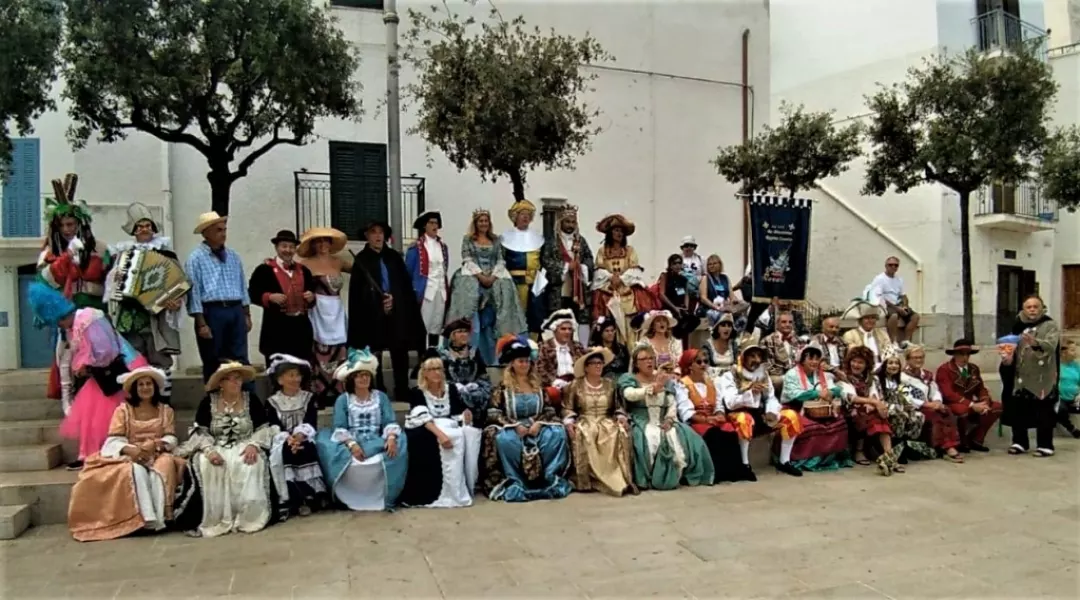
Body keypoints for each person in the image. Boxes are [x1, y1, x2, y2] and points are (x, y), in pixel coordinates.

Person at [29, 283, 150, 470]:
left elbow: (105, 351)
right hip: (104, 375)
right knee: (88, 412)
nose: (60, 326)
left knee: (106, 413)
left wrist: (86, 367)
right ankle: (89, 453)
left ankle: (105, 451)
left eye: (58, 321)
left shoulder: (88, 320)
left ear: (61, 316)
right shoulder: (76, 325)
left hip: (118, 370)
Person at [66, 366, 185, 541]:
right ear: (135, 389)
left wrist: (155, 444)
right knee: (135, 469)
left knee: (164, 466)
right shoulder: (123, 410)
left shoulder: (165, 410)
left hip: (158, 453)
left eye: (149, 384)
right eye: (141, 385)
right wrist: (131, 449)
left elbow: (171, 437)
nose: (145, 388)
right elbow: (113, 439)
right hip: (130, 453)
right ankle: (144, 517)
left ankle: (161, 517)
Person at [175, 362, 275, 537]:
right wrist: (209, 451)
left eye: (238, 379)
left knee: (249, 463)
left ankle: (247, 517)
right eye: (230, 379)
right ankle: (213, 517)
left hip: (245, 444)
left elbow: (263, 428)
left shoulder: (251, 400)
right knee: (207, 466)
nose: (235, 383)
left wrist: (254, 444)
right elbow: (200, 431)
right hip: (215, 445)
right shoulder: (208, 402)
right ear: (221, 383)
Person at [37, 175, 109, 413]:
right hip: (67, 310)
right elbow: (45, 280)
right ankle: (68, 400)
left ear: (80, 223)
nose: (69, 229)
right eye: (64, 225)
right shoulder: (51, 251)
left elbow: (109, 277)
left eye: (72, 224)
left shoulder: (99, 247)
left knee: (95, 355)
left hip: (93, 309)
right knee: (67, 354)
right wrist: (65, 259)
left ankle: (96, 398)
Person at [105, 202, 184, 398]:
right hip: (131, 316)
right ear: (133, 230)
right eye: (140, 226)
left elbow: (179, 282)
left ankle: (164, 404)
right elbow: (113, 284)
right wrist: (117, 280)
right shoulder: (124, 254)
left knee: (160, 360)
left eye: (147, 225)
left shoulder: (165, 253)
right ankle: (139, 405)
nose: (144, 229)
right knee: (134, 361)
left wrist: (175, 300)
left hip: (156, 317)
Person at [315, 348, 407, 511]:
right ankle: (348, 498)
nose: (364, 378)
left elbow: (389, 421)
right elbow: (340, 426)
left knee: (398, 445)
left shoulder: (381, 397)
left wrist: (391, 438)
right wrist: (352, 444)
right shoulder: (343, 400)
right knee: (327, 445)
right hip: (352, 440)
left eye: (366, 375)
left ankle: (384, 497)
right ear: (351, 379)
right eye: (359, 375)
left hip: (376, 439)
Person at [484, 335, 573, 502]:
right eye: (520, 361)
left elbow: (548, 409)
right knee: (504, 439)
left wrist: (539, 423)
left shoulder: (538, 385)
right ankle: (515, 481)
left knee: (557, 433)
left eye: (526, 361)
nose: (524, 365)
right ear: (512, 364)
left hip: (535, 426)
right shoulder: (502, 388)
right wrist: (515, 425)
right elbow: (493, 412)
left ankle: (549, 477)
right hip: (513, 427)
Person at [617, 343, 714, 490]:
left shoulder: (663, 378)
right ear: (636, 363)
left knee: (687, 436)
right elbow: (629, 394)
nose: (649, 361)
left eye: (651, 358)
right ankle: (651, 477)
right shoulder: (629, 378)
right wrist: (651, 389)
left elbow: (672, 403)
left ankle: (681, 475)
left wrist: (669, 419)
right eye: (644, 359)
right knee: (651, 437)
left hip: (664, 420)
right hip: (642, 419)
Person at [348, 220, 425, 402]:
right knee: (375, 353)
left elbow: (403, 286)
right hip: (372, 316)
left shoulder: (394, 258)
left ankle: (402, 389)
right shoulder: (361, 260)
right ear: (367, 236)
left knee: (399, 350)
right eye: (373, 232)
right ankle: (378, 389)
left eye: (381, 232)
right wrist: (377, 303)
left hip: (396, 315)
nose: (378, 236)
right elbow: (358, 295)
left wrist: (394, 300)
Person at [399, 352, 481, 508]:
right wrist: (440, 435)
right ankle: (434, 492)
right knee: (424, 439)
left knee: (465, 434)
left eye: (439, 369)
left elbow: (457, 411)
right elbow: (420, 416)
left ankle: (457, 490)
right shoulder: (417, 392)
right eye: (432, 369)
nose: (436, 372)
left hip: (449, 425)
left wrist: (465, 413)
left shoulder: (451, 389)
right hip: (429, 427)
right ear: (425, 373)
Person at [446, 208, 527, 364]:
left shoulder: (496, 240)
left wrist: (493, 276)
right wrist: (481, 276)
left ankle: (495, 359)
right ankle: (467, 356)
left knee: (496, 320)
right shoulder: (468, 239)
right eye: (480, 221)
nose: (483, 223)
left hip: (494, 278)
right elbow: (467, 259)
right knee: (470, 319)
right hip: (472, 276)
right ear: (475, 223)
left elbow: (501, 260)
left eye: (486, 221)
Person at [716, 344, 802, 481]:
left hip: (762, 415)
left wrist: (771, 411)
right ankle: (745, 465)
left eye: (759, 356)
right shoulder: (730, 375)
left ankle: (784, 461)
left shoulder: (763, 375)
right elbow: (730, 402)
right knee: (744, 419)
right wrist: (750, 393)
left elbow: (771, 397)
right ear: (743, 357)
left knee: (791, 416)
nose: (756, 360)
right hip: (738, 412)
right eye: (752, 356)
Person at [185, 212, 251, 383]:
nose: (223, 234)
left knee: (240, 357)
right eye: (218, 230)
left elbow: (242, 285)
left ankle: (244, 399)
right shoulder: (195, 258)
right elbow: (195, 291)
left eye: (224, 229)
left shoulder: (233, 256)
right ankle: (215, 401)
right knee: (214, 358)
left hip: (235, 308)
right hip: (212, 311)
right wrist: (201, 322)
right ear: (206, 233)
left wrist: (246, 314)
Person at [561, 347, 635, 496]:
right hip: (585, 420)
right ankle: (588, 479)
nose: (598, 366)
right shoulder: (575, 385)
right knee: (586, 433)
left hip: (605, 420)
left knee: (617, 432)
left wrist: (621, 417)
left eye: (600, 363)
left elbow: (618, 406)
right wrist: (569, 421)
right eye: (594, 363)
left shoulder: (610, 384)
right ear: (586, 367)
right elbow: (567, 407)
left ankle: (615, 478)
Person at [264, 354, 328, 518]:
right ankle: (295, 499)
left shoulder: (308, 398)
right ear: (280, 380)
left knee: (306, 448)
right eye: (291, 375)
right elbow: (273, 425)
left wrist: (299, 436)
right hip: (283, 439)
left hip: (304, 437)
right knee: (286, 452)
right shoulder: (272, 401)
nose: (296, 379)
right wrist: (289, 438)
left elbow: (310, 421)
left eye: (297, 375)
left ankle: (314, 496)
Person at [296, 227, 352, 408]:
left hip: (336, 307)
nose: (322, 245)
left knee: (339, 350)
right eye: (318, 241)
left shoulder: (339, 262)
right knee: (319, 349)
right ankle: (319, 391)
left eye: (325, 241)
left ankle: (338, 391)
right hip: (318, 308)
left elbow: (362, 269)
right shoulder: (305, 264)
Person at [1000, 296, 1062, 457]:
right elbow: (1011, 347)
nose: (1032, 309)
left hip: (1043, 376)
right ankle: (1020, 442)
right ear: (1024, 309)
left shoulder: (1050, 325)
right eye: (1029, 307)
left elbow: (1050, 346)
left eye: (1036, 306)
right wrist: (1007, 358)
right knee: (1018, 408)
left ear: (1042, 308)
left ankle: (1045, 445)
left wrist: (1035, 342)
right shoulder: (1017, 326)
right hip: (1021, 376)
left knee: (1044, 411)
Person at [778, 344, 852, 474]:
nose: (814, 362)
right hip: (796, 407)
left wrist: (830, 392)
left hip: (818, 409)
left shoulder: (821, 374)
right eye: (810, 358)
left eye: (817, 359)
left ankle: (826, 460)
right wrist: (817, 394)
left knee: (839, 422)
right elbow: (794, 394)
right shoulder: (792, 374)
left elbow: (836, 389)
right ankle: (800, 460)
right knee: (811, 427)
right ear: (802, 360)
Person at [248, 230, 316, 367]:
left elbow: (312, 296)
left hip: (300, 328)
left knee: (301, 368)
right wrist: (269, 296)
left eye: (291, 247)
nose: (288, 250)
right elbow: (252, 293)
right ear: (276, 247)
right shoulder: (264, 270)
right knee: (277, 369)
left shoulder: (304, 271)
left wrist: (311, 297)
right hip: (276, 328)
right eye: (284, 246)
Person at [675, 349, 744, 483]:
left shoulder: (711, 383)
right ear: (689, 365)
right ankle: (716, 473)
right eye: (698, 362)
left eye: (705, 362)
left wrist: (719, 414)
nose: (703, 365)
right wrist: (706, 419)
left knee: (730, 430)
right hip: (695, 422)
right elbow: (686, 412)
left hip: (711, 419)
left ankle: (733, 472)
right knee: (714, 435)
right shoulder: (682, 384)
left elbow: (718, 404)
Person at [591, 214, 659, 346]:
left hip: (627, 292)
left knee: (630, 326)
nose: (619, 233)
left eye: (621, 231)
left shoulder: (629, 250)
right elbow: (599, 270)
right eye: (616, 230)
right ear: (610, 233)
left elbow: (635, 270)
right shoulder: (602, 251)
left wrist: (621, 279)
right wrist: (611, 277)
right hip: (609, 291)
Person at [935, 339, 1002, 453]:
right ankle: (962, 442)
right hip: (953, 403)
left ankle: (977, 439)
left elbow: (980, 388)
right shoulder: (945, 369)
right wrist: (971, 404)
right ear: (954, 354)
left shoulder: (973, 369)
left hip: (972, 402)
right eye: (961, 354)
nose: (965, 357)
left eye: (967, 354)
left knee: (996, 407)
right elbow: (948, 394)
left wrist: (984, 401)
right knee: (962, 410)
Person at [539, 204, 594, 341]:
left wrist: (582, 267)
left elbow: (589, 259)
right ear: (561, 222)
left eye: (573, 222)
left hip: (579, 289)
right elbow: (546, 261)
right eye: (567, 222)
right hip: (559, 289)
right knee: (559, 319)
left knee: (580, 320)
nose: (570, 225)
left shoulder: (581, 241)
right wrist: (566, 267)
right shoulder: (551, 242)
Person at [901, 345, 963, 463]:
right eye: (915, 358)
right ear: (908, 359)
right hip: (914, 407)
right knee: (935, 415)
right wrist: (925, 404)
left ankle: (950, 445)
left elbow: (935, 390)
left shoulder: (927, 375)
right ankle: (945, 447)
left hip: (930, 405)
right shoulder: (902, 377)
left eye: (921, 357)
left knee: (946, 410)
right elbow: (906, 396)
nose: (919, 360)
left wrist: (937, 401)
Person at [838, 346, 895, 474]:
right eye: (854, 361)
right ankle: (862, 451)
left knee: (880, 414)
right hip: (849, 409)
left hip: (868, 408)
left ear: (866, 365)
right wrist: (873, 402)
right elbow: (850, 398)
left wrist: (875, 403)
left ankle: (888, 454)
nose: (856, 365)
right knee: (868, 414)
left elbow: (875, 394)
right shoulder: (843, 377)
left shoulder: (871, 379)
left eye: (861, 362)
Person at [406, 211, 451, 348]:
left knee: (437, 324)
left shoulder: (443, 247)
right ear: (424, 226)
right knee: (423, 324)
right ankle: (422, 355)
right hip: (424, 290)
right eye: (431, 223)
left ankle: (433, 351)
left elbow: (444, 268)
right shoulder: (416, 247)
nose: (434, 226)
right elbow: (408, 271)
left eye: (436, 223)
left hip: (440, 290)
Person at [439, 318, 494, 428]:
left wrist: (476, 384)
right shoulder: (443, 354)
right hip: (452, 393)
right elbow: (440, 378)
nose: (464, 335)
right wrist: (455, 386)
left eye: (466, 332)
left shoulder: (474, 352)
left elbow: (483, 375)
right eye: (460, 332)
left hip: (474, 393)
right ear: (452, 335)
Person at [502, 200, 546, 333]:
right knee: (516, 314)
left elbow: (543, 260)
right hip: (515, 282)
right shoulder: (505, 238)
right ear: (516, 217)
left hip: (535, 283)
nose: (525, 217)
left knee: (536, 315)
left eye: (528, 214)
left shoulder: (537, 237)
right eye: (522, 214)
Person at [875, 355, 925, 472]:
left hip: (898, 406)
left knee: (918, 416)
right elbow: (880, 399)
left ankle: (907, 446)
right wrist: (900, 408)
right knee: (901, 416)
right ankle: (895, 452)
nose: (894, 366)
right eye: (890, 363)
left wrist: (907, 405)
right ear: (885, 365)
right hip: (884, 407)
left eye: (896, 363)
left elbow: (903, 397)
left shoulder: (898, 380)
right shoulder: (878, 380)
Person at [537, 309, 587, 406]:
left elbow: (584, 366)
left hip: (577, 384)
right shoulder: (545, 347)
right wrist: (554, 382)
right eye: (563, 329)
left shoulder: (577, 346)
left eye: (569, 329)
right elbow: (540, 369)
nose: (567, 332)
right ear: (555, 330)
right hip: (554, 386)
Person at [865, 256, 919, 344]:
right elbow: (880, 297)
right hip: (885, 305)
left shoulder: (899, 279)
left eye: (896, 265)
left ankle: (906, 341)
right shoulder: (880, 279)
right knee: (893, 316)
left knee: (915, 316)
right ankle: (893, 342)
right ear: (886, 266)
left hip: (898, 304)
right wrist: (897, 309)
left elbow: (903, 296)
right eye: (890, 265)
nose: (893, 267)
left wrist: (905, 306)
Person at [656, 254, 701, 342]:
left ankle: (679, 341)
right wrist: (674, 308)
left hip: (681, 309)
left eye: (679, 263)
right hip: (669, 308)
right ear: (670, 265)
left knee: (694, 320)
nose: (677, 265)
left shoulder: (683, 279)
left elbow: (686, 295)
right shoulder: (665, 276)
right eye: (675, 263)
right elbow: (662, 294)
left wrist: (686, 308)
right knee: (674, 320)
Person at [696, 254, 747, 326]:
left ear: (720, 264)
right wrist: (716, 307)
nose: (712, 266)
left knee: (744, 313)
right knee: (722, 316)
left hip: (725, 306)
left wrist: (736, 302)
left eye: (714, 263)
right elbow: (703, 298)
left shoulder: (725, 278)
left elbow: (732, 296)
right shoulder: (705, 278)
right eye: (709, 264)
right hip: (710, 308)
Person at [841, 302, 893, 368]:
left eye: (873, 318)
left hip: (882, 367)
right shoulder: (850, 334)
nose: (870, 320)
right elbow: (851, 356)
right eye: (867, 318)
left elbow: (889, 351)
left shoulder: (882, 333)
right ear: (860, 320)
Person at [762, 310, 800, 392]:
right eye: (784, 322)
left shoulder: (796, 340)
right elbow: (768, 367)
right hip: (777, 377)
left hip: (795, 374)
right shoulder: (768, 340)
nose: (787, 325)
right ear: (777, 324)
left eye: (790, 322)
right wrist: (789, 376)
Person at [701, 312, 738, 379]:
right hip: (713, 380)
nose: (727, 328)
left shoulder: (733, 345)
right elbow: (705, 367)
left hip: (732, 380)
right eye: (723, 325)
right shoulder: (707, 346)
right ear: (717, 328)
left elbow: (738, 364)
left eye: (729, 326)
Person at [811, 316, 848, 380]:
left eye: (837, 327)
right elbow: (818, 363)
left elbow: (846, 360)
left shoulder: (842, 342)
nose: (834, 329)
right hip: (822, 375)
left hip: (841, 375)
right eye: (831, 327)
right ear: (823, 329)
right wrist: (836, 371)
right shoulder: (816, 341)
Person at [1057, 340, 1080, 438]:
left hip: (1075, 399)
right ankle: (1072, 429)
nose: (1075, 353)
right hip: (1060, 398)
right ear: (1063, 352)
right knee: (1059, 409)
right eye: (1072, 350)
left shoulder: (1076, 366)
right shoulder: (1057, 366)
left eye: (1075, 350)